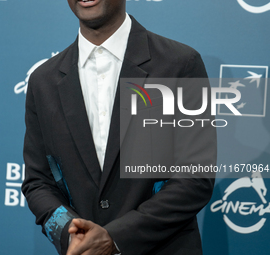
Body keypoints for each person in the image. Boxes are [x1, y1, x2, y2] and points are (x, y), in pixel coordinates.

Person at [21, 0, 217, 255]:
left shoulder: (180, 64)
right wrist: (70, 232)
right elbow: (38, 182)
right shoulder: (42, 81)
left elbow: (195, 177)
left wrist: (115, 238)